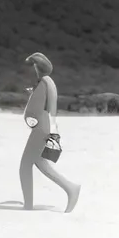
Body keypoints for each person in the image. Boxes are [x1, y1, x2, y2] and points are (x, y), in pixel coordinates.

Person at [20, 52, 80, 211]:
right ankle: (71, 189)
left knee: (25, 165)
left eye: (33, 66)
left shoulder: (43, 84)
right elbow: (49, 107)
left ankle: (28, 206)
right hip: (47, 125)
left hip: (41, 127)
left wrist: (31, 117)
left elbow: (34, 109)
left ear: (37, 67)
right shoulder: (49, 82)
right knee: (40, 162)